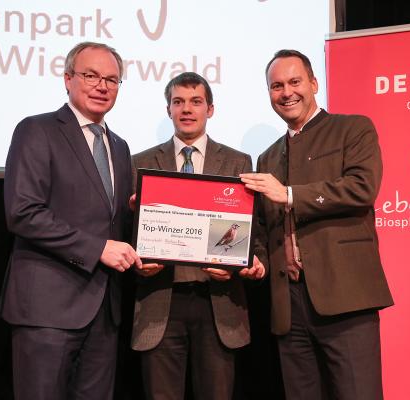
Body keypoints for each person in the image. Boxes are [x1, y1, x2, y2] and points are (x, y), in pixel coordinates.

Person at [240, 49, 394, 400]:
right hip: (288, 304)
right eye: (276, 85)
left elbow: (362, 188)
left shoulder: (352, 128)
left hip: (345, 295)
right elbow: (263, 227)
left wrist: (291, 194)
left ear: (314, 84)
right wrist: (257, 259)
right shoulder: (268, 155)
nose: (286, 92)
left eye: (295, 82)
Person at [0, 41, 142, 400]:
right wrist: (98, 249)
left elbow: (113, 222)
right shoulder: (37, 130)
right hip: (47, 308)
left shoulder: (120, 146)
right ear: (67, 79)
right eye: (91, 75)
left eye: (111, 79)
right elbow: (23, 212)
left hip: (105, 312)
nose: (102, 86)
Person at [130, 72, 265, 400]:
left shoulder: (238, 161)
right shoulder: (140, 163)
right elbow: (126, 236)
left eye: (195, 102)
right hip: (160, 301)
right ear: (168, 110)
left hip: (217, 303)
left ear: (211, 109)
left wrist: (240, 264)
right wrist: (136, 261)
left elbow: (250, 233)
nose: (186, 109)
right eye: (178, 102)